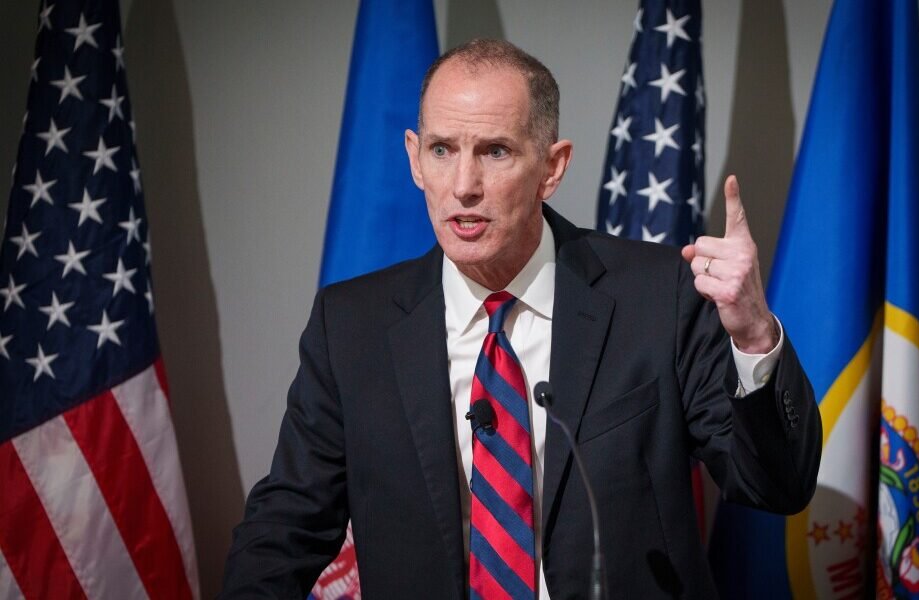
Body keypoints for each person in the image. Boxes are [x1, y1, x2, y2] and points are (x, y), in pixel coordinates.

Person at [221, 39, 820, 599]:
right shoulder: (352, 327)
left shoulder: (657, 297)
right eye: (441, 150)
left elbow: (777, 485)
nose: (463, 186)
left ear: (552, 168)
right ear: (414, 159)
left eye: (495, 151)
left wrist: (753, 333)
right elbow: (289, 523)